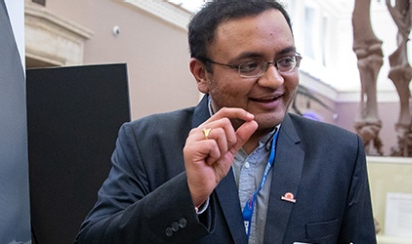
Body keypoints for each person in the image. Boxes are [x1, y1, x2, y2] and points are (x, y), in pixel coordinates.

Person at [75, 1, 376, 243]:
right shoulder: (147, 142)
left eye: (285, 61)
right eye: (249, 66)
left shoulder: (339, 152)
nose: (274, 80)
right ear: (201, 75)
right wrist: (187, 195)